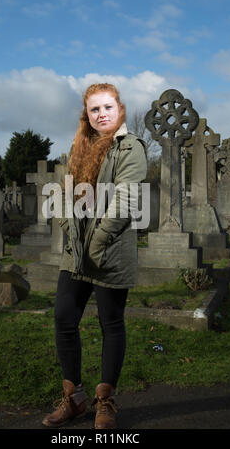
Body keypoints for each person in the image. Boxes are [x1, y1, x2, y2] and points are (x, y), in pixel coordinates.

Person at [42, 83, 147, 429]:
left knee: (110, 323)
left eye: (107, 107)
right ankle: (74, 399)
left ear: (120, 110)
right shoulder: (80, 146)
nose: (102, 114)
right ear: (86, 115)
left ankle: (105, 401)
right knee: (63, 317)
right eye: (94, 109)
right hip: (76, 252)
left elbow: (127, 199)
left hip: (109, 252)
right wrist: (63, 214)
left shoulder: (130, 148)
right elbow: (67, 190)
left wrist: (98, 242)